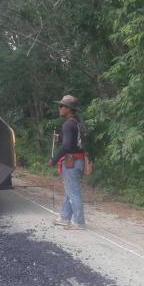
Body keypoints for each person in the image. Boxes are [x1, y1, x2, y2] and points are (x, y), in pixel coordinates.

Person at [48, 95, 86, 230]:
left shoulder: (67, 124)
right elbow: (75, 142)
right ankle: (64, 217)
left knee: (73, 192)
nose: (59, 108)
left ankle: (79, 223)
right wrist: (60, 138)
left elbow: (67, 146)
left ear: (68, 109)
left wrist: (54, 159)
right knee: (69, 190)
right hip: (79, 160)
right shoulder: (78, 122)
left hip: (71, 161)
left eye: (61, 106)